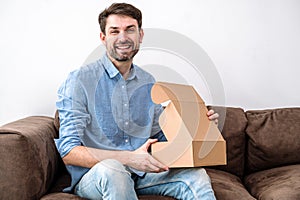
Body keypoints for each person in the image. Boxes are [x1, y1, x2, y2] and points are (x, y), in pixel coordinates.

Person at [55, 3, 219, 200]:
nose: (123, 37)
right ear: (103, 37)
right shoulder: (79, 80)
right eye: (114, 31)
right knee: (114, 169)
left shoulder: (148, 81)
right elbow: (68, 151)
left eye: (129, 30)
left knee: (196, 176)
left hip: (141, 174)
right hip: (99, 175)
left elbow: (162, 135)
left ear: (140, 35)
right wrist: (129, 158)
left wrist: (199, 125)